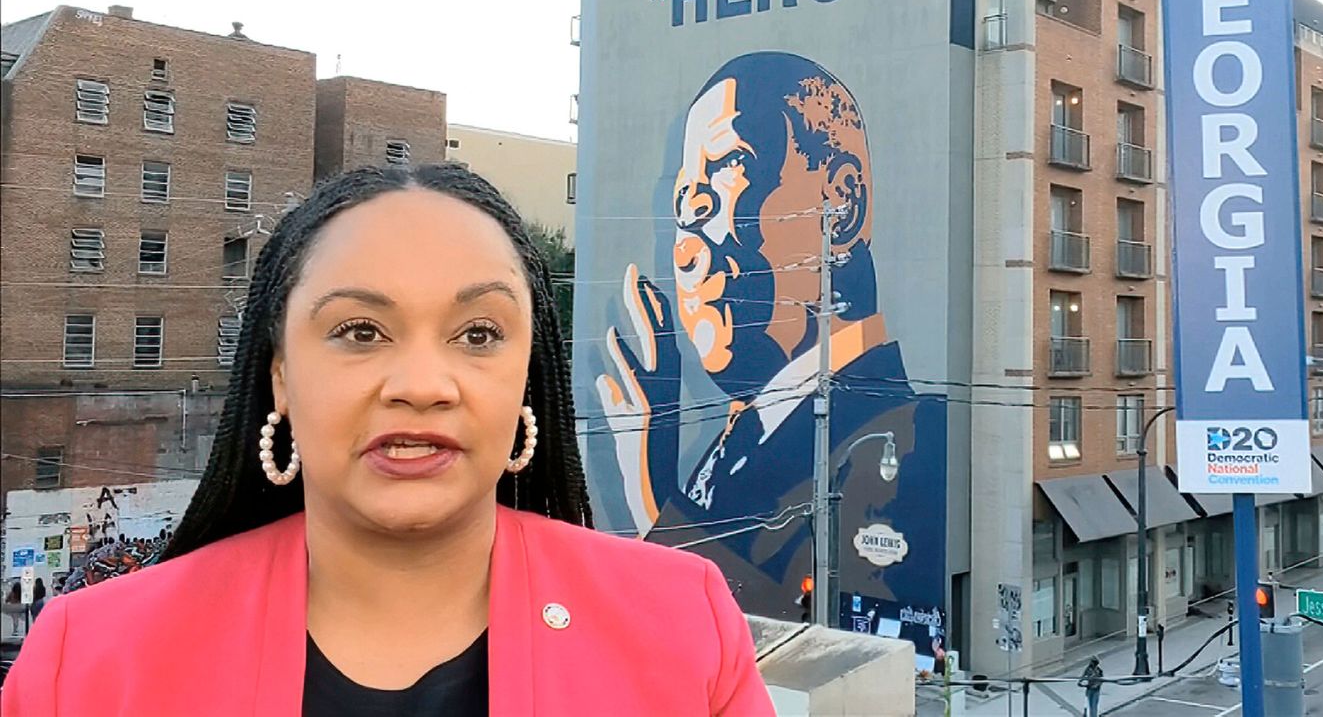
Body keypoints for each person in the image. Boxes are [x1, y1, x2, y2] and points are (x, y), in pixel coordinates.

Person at [2, 165, 770, 716]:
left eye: (478, 332)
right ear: (279, 376)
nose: (423, 384)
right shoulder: (90, 662)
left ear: (527, 374)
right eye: (359, 330)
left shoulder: (684, 627)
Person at [594, 51, 947, 631]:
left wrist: (652, 495)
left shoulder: (901, 439)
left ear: (843, 204)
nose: (690, 227)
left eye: (729, 166)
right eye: (684, 199)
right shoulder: (746, 429)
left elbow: (798, 643)